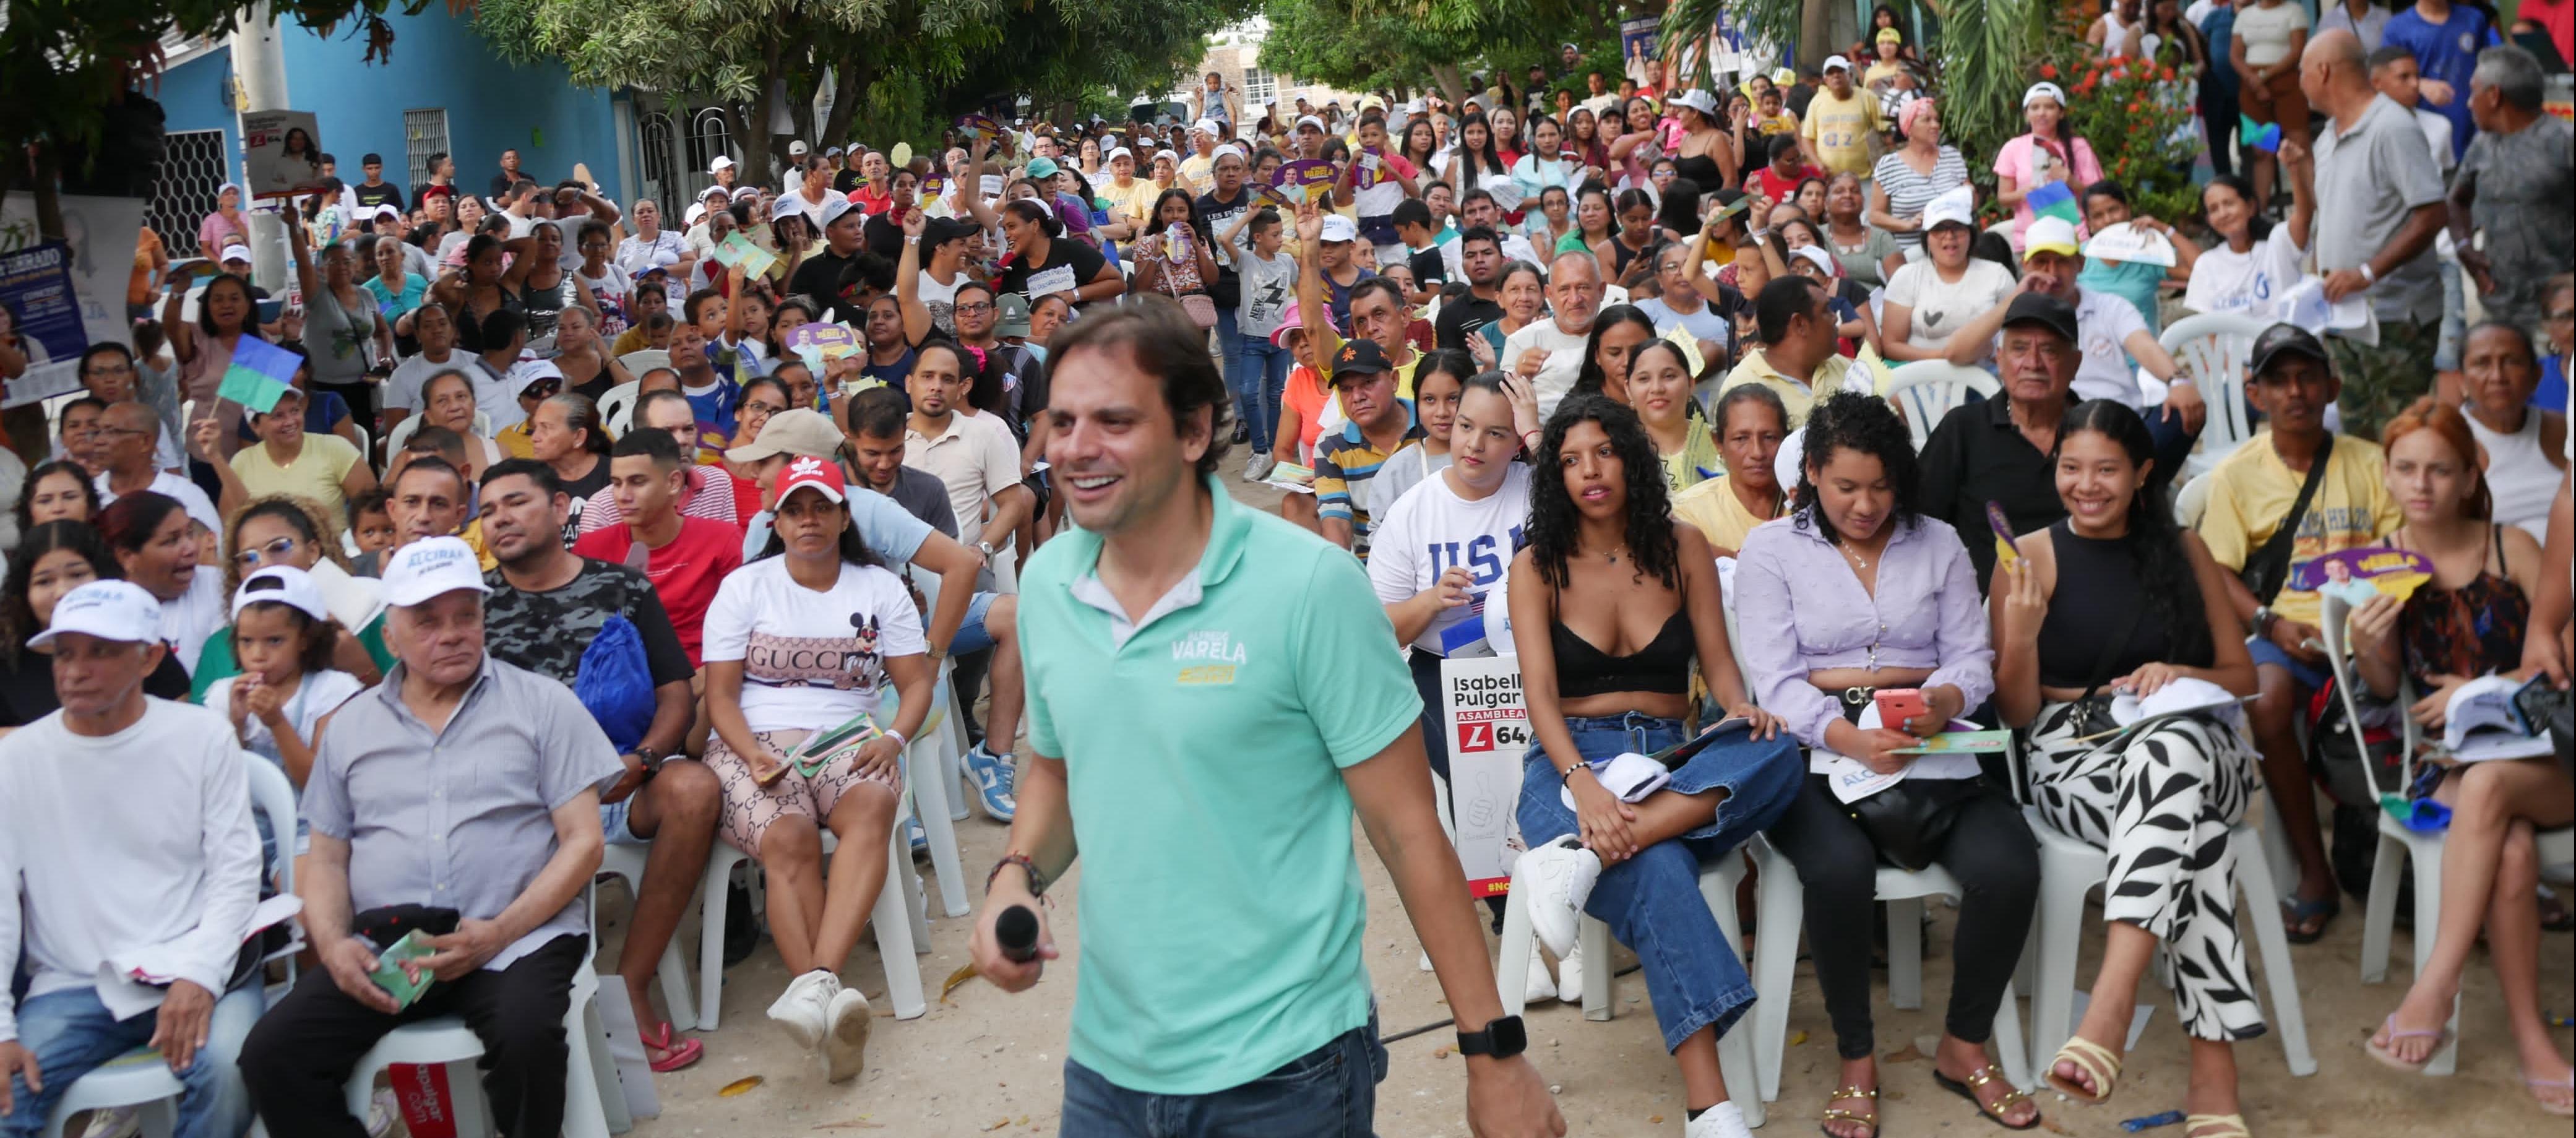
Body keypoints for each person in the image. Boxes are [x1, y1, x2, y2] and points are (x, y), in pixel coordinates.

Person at [968, 303, 1563, 1137]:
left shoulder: (1311, 586)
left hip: (1288, 1072)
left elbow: (1406, 831)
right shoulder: (1047, 585)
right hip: (1105, 1070)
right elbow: (1061, 770)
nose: (1074, 447)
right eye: (1061, 421)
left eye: (1114, 420)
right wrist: (1015, 875)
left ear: (1192, 431)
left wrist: (1491, 1051)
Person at [238, 535, 620, 1136]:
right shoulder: (352, 726)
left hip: (517, 937)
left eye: (466, 616)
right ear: (390, 638)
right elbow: (328, 856)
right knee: (273, 1056)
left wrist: (498, 934)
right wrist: (334, 945)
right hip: (392, 946)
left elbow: (584, 842)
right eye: (427, 622)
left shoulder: (542, 704)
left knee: (526, 1040)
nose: (452, 634)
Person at [1734, 391, 2041, 1136]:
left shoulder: (1938, 542)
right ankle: (1856, 1058)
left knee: (2008, 865)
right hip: (1817, 749)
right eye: (1845, 486)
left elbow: (1969, 656)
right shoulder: (1770, 551)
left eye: (1880, 486)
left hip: (1926, 737)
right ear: (1811, 473)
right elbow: (1774, 682)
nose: (1865, 505)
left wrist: (1943, 698)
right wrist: (1847, 738)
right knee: (1836, 871)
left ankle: (1963, 1045)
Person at [1494, 393, 1796, 1138]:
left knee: (1778, 748)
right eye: (1571, 460)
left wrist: (1739, 708)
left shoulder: (1681, 546)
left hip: (1666, 756)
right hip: (1566, 763)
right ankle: (1709, 1105)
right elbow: (1539, 700)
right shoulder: (1535, 566)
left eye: (1603, 452)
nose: (1590, 471)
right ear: (1555, 476)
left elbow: (1718, 669)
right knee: (1658, 867)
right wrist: (1583, 787)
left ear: (1630, 457)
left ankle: (1586, 856)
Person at [1987, 401, 2265, 1135]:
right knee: (2196, 835)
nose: (2085, 485)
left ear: (2142, 473)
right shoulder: (2026, 557)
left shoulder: (2183, 550)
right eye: (2070, 468)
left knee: (2169, 748)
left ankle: (2109, 1003)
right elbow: (2014, 714)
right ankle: (2213, 1072)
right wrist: (2019, 639)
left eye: (2105, 470)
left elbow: (2243, 677)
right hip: (2074, 759)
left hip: (2198, 748)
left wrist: (2178, 672)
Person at [2343, 398, 2570, 1116]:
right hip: (2445, 764)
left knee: (2492, 788)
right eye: (2406, 469)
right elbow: (2384, 690)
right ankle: (2531, 1039)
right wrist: (2366, 644)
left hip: (2545, 754)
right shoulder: (2380, 563)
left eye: (2440, 470)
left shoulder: (2512, 547)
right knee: (2508, 849)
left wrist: (2479, 689)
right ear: (2385, 475)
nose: (2421, 485)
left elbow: (2564, 654)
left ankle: (2433, 987)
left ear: (2470, 477)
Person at [0, 578, 265, 1138]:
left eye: (100, 651)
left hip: (194, 960)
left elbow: (237, 871)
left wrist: (199, 973)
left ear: (149, 659)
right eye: (64, 653)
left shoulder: (203, 736)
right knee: (4, 1092)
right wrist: (1, 1028)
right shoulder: (17, 758)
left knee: (232, 1070)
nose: (75, 670)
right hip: (73, 982)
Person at [478, 459, 715, 1073]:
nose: (500, 519)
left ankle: (631, 983)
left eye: (515, 502)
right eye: (487, 511)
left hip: (619, 782)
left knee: (694, 790)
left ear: (561, 508)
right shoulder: (471, 607)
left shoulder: (622, 587)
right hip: (521, 802)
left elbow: (675, 694)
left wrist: (644, 758)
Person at [700, 455, 931, 1082]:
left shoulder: (878, 588)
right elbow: (720, 696)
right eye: (795, 510)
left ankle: (816, 989)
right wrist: (751, 752)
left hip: (847, 736)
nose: (809, 521)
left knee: (874, 804)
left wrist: (895, 738)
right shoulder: (745, 587)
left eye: (821, 508)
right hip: (752, 740)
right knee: (789, 837)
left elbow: (915, 683)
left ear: (844, 517)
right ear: (775, 522)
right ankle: (827, 1006)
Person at [2194, 323, 2400, 941]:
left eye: (2307, 377)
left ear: (2330, 387)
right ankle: (2314, 870)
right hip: (2286, 633)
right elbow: (2214, 569)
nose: (2294, 392)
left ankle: (2390, 843)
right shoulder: (2235, 475)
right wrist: (2269, 622)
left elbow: (2400, 552)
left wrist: (2368, 627)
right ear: (2254, 395)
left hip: (2368, 632)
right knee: (2265, 698)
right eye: (2278, 380)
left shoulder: (2371, 462)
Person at [1948, 217, 2203, 480]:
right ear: (2025, 266)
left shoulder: (2110, 307)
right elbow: (1956, 352)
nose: (2052, 272)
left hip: (2118, 423)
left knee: (2184, 412)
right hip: (2049, 431)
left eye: (2062, 261)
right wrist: (2015, 298)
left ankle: (2131, 487)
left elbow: (2144, 345)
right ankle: (2133, 489)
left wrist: (2177, 380)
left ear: (2080, 264)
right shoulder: (2014, 319)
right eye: (2041, 262)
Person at [2304, 28, 2449, 438]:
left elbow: (2432, 213)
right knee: (2356, 438)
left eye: (2302, 72)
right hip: (2343, 315)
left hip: (2394, 318)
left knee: (2399, 437)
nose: (2300, 84)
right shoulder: (2328, 134)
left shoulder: (2392, 126)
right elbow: (2329, 214)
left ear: (2323, 71)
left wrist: (2367, 272)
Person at [204, 565, 364, 865]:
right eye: (247, 641)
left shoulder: (331, 692)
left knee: (302, 881)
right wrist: (236, 724)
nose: (258, 655)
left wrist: (277, 723)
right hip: (239, 828)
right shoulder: (222, 694)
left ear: (305, 638)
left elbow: (321, 788)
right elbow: (215, 781)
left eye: (275, 641)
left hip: (308, 828)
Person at [571, 428, 744, 667]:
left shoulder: (722, 539)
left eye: (637, 482)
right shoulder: (591, 548)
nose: (622, 496)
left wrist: (699, 683)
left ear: (673, 482)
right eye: (616, 484)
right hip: (616, 675)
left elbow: (743, 632)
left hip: (700, 674)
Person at [0, 522, 193, 732]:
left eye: (77, 575)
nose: (62, 591)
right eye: (44, 582)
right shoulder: (6, 660)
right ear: (24, 592)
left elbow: (181, 725)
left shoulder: (140, 646)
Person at [2447, 45, 2574, 335]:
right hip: (2501, 310)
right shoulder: (2481, 145)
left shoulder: (2564, 142)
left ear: (2494, 96)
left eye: (2473, 92)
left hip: (2561, 317)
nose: (2469, 103)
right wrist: (2465, 249)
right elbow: (2457, 202)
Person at [902, 340, 1032, 580]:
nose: (936, 387)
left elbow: (1013, 504)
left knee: (1008, 606)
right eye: (927, 377)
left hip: (964, 566)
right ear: (909, 383)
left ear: (963, 388)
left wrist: (982, 548)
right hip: (897, 568)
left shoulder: (984, 435)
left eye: (948, 379)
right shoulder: (889, 436)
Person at [1312, 338, 1426, 558]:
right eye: (1346, 389)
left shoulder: (1431, 424)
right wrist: (1340, 569)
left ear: (1394, 380)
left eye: (1368, 383)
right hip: (1373, 563)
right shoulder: (1331, 445)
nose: (1357, 397)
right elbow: (1336, 522)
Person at [95, 491, 225, 677]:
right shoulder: (99, 610)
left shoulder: (222, 586)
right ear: (127, 557)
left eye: (190, 534)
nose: (191, 549)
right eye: (171, 541)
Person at [584, 389, 747, 533]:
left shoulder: (717, 483)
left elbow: (729, 550)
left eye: (688, 429)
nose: (682, 440)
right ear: (641, 435)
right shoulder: (604, 508)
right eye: (668, 431)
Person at [1882, 193, 2018, 364]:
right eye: (1939, 229)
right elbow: (1892, 345)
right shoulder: (1907, 276)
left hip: (1985, 373)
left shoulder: (1998, 275)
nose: (1949, 236)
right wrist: (1949, 356)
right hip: (1921, 374)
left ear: (1971, 234)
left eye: (1958, 227)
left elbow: (2016, 334)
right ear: (1927, 237)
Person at [1716, 277, 1864, 434]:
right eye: (1826, 310)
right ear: (1799, 323)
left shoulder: (1844, 367)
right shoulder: (1741, 387)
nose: (1835, 318)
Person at [204, 386, 376, 520]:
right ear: (255, 426)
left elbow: (374, 509)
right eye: (277, 416)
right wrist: (215, 456)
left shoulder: (336, 448)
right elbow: (229, 522)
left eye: (295, 411)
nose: (290, 421)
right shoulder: (243, 461)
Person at [2182, 162, 2315, 319]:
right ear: (2209, 220)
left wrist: (2294, 170)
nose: (2223, 214)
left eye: (2229, 203)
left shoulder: (2279, 243)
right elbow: (2208, 327)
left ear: (2251, 207)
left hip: (2286, 335)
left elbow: (2304, 217)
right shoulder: (2206, 264)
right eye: (2214, 209)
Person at [2383, 0, 2500, 165]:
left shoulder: (2474, 19)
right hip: (2428, 137)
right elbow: (2386, 82)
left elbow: (2488, 69)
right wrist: (2421, 85)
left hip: (2472, 130)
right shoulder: (2397, 28)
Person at [1992, 83, 2102, 252]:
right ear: (2026, 114)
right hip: (2030, 237)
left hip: (2074, 235)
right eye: (2035, 107)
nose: (2042, 113)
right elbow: (2003, 198)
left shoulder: (2078, 146)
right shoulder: (2013, 147)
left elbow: (2099, 194)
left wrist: (2071, 182)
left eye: (2049, 107)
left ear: (2061, 113)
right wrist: (2023, 193)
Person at [94, 401, 222, 538]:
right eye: (97, 432)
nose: (98, 441)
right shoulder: (89, 492)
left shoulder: (184, 495)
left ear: (145, 442)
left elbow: (212, 548)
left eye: (111, 432)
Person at [1504, 252, 1608, 417]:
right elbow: (1501, 405)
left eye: (1583, 287)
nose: (1575, 299)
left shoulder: (1620, 336)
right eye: (1564, 289)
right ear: (1549, 294)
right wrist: (1520, 375)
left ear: (1601, 290)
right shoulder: (1522, 341)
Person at [1801, 56, 1882, 180]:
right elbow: (1807, 138)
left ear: (1850, 75)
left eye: (1840, 71)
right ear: (1825, 80)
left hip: (1863, 177)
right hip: (1829, 178)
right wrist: (1818, 164)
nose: (1836, 76)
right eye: (1831, 73)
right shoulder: (1817, 102)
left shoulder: (1868, 98)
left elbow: (1884, 132)